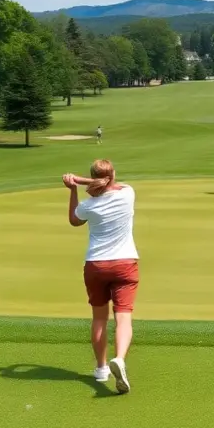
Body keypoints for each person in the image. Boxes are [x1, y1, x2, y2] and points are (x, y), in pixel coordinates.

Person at [64, 160, 139, 394]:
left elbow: (74, 221)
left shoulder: (88, 205)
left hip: (96, 264)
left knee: (99, 318)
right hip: (125, 263)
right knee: (123, 317)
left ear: (93, 176)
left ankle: (101, 369)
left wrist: (74, 187)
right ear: (113, 175)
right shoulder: (127, 194)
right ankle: (120, 359)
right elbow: (117, 183)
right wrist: (89, 180)